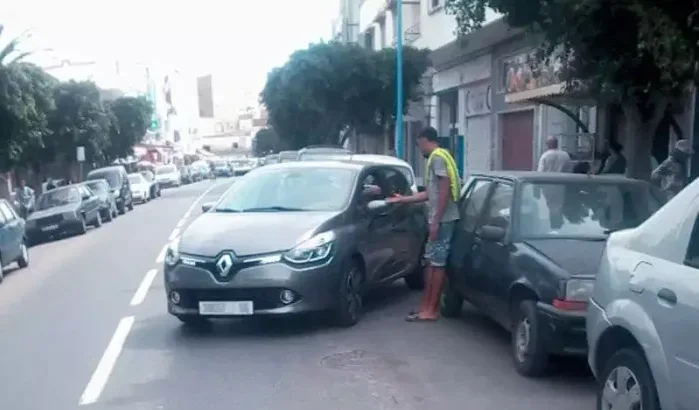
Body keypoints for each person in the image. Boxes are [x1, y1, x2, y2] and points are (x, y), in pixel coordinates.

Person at [387, 126, 460, 322]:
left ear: (426, 140)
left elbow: (444, 190)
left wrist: (435, 220)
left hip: (443, 220)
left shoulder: (437, 158)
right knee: (431, 263)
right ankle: (426, 307)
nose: (419, 149)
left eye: (419, 144)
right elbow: (430, 193)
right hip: (441, 219)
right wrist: (403, 199)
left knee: (437, 263)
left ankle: (431, 310)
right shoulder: (440, 156)